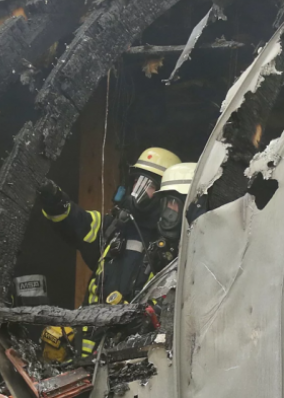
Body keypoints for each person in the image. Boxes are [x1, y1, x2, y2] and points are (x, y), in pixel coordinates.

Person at [38, 147, 181, 357]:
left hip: (133, 357)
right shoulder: (112, 228)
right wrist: (53, 199)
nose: (138, 192)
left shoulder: (172, 250)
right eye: (137, 182)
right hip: (86, 355)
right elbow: (75, 221)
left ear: (165, 197)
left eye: (148, 185)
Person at [144, 162, 197, 276]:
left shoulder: (198, 257)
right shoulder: (155, 245)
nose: (169, 210)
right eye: (167, 202)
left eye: (174, 203)